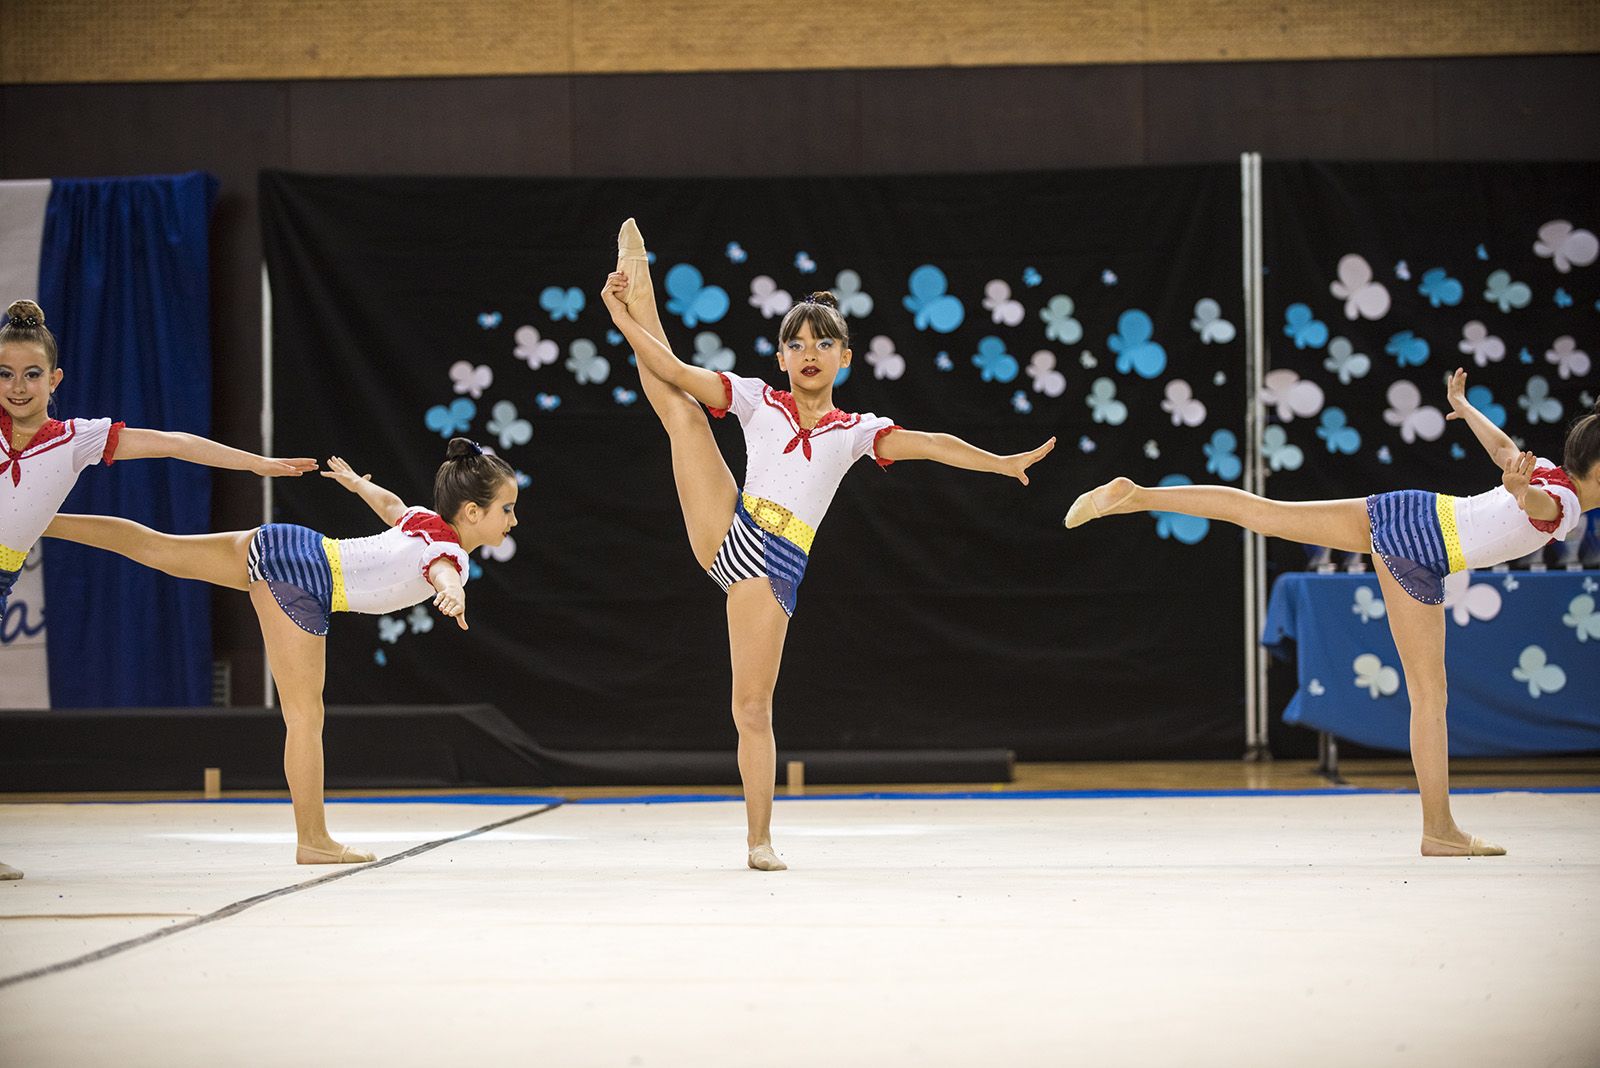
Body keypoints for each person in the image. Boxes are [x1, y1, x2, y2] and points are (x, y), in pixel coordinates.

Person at [605, 219, 1055, 871]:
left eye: (824, 342)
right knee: (679, 410)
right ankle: (635, 277)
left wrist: (1002, 461)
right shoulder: (759, 400)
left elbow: (931, 444)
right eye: (797, 342)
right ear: (782, 356)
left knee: (751, 708)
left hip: (775, 562)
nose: (809, 350)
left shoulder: (854, 431)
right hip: (732, 529)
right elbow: (671, 369)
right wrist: (620, 312)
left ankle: (758, 839)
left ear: (846, 357)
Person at [1065, 369, 1600, 856]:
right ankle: (1438, 829)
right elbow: (1542, 509)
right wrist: (1520, 492)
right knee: (1429, 696)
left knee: (1268, 514)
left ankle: (1138, 495)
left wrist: (1465, 406)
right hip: (1422, 547)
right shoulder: (1565, 502)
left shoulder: (1547, 472)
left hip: (1414, 507)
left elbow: (1504, 448)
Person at [45, 441, 518, 864]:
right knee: (305, 718)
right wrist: (453, 593)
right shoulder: (448, 550)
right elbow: (442, 571)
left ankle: (35, 522)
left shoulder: (422, 520)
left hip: (287, 543)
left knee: (162, 549)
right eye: (507, 509)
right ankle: (313, 839)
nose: (513, 520)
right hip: (304, 580)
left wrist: (356, 485)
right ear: (473, 513)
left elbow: (390, 504)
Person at [1, 299, 316, 881]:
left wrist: (257, 464)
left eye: (31, 374)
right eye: (5, 374)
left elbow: (177, 443)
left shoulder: (75, 440)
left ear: (55, 379)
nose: (18, 387)